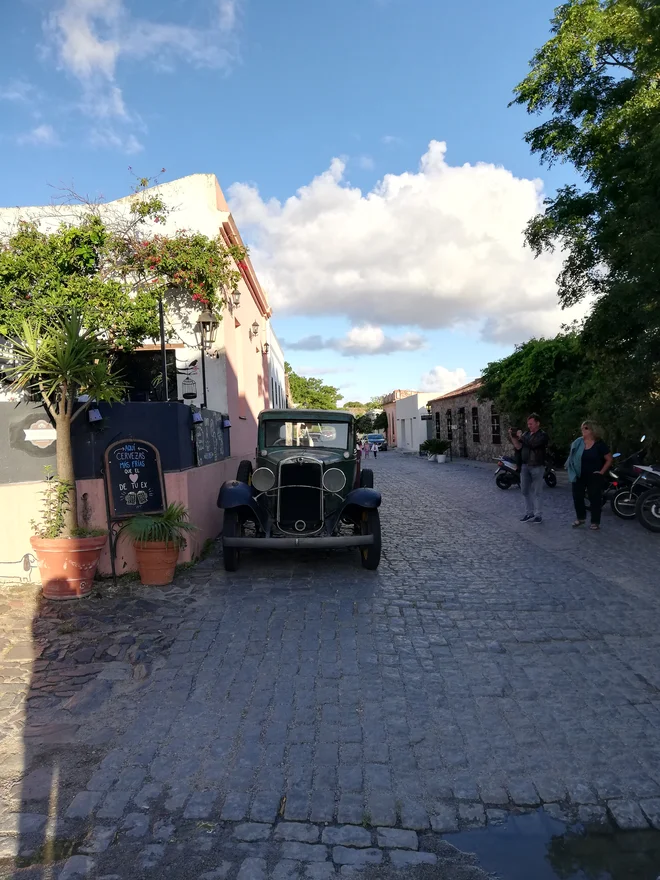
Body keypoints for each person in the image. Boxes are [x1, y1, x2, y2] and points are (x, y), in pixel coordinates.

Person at [566, 421, 613, 531]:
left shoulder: (599, 444)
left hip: (594, 475)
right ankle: (580, 518)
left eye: (586, 428)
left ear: (592, 430)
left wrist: (601, 472)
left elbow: (609, 459)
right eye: (582, 428)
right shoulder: (578, 443)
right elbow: (572, 457)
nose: (583, 430)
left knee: (595, 498)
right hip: (579, 474)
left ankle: (595, 522)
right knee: (577, 497)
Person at [509, 414, 549, 524]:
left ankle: (538, 515)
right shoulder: (526, 434)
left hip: (537, 465)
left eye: (531, 423)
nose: (529, 426)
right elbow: (518, 447)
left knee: (537, 491)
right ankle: (529, 513)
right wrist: (513, 437)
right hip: (525, 466)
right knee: (524, 490)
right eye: (528, 424)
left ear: (537, 423)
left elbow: (533, 444)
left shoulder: (542, 435)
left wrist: (522, 437)